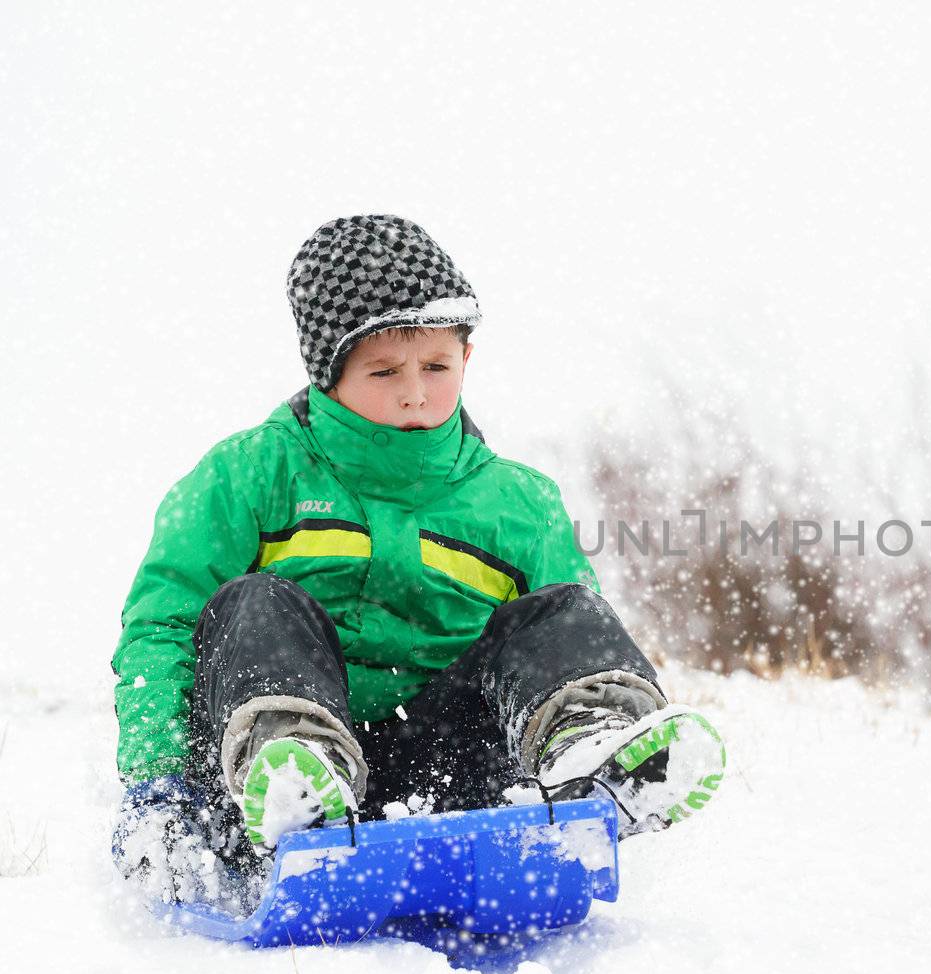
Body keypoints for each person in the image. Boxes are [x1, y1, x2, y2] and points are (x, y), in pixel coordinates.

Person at [109, 214, 724, 903]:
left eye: (437, 366)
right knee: (255, 602)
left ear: (468, 359)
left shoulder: (517, 503)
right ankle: (296, 779)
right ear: (327, 372)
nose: (415, 391)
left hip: (445, 770)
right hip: (265, 784)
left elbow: (566, 642)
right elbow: (161, 624)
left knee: (563, 610)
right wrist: (155, 782)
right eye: (383, 370)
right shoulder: (250, 473)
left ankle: (595, 756)